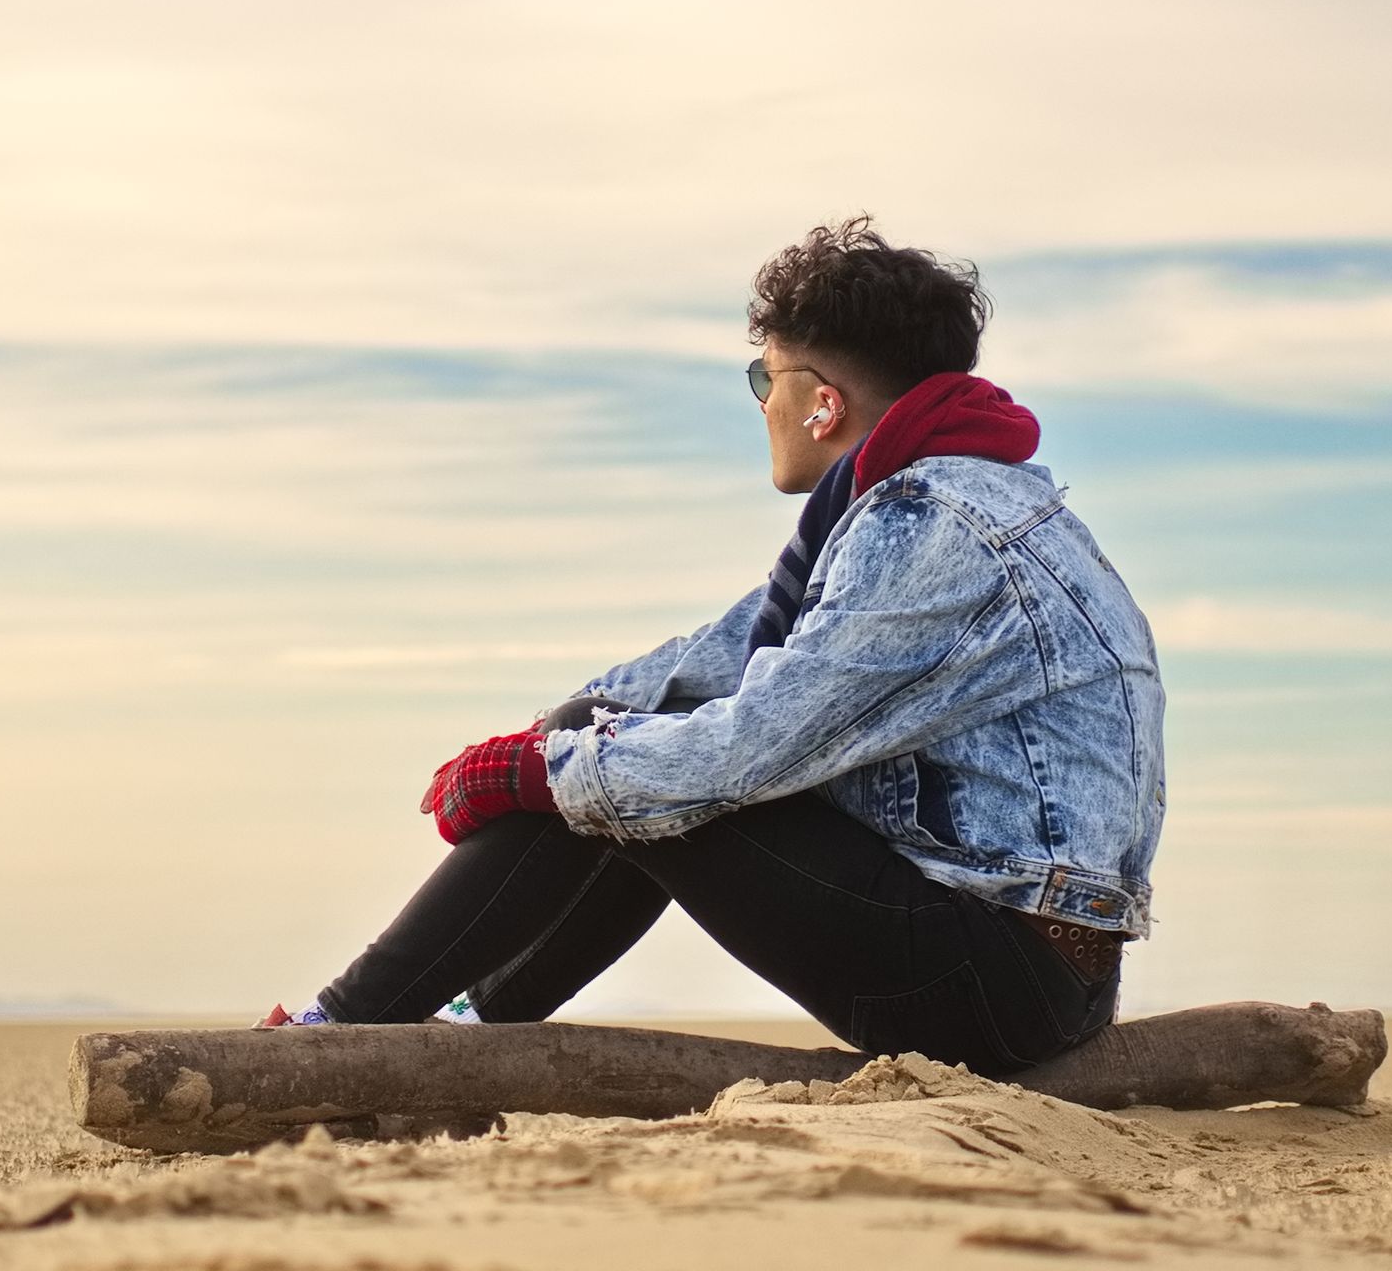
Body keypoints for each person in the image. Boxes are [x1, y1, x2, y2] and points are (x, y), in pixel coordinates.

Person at [267, 218, 1167, 1075]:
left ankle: (338, 1031)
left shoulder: (927, 524)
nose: (761, 402)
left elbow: (749, 748)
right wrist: (547, 738)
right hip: (1030, 971)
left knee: (633, 767)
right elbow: (710, 661)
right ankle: (459, 1026)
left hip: (991, 983)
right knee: (611, 740)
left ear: (823, 403)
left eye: (762, 379)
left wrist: (539, 772)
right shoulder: (957, 501)